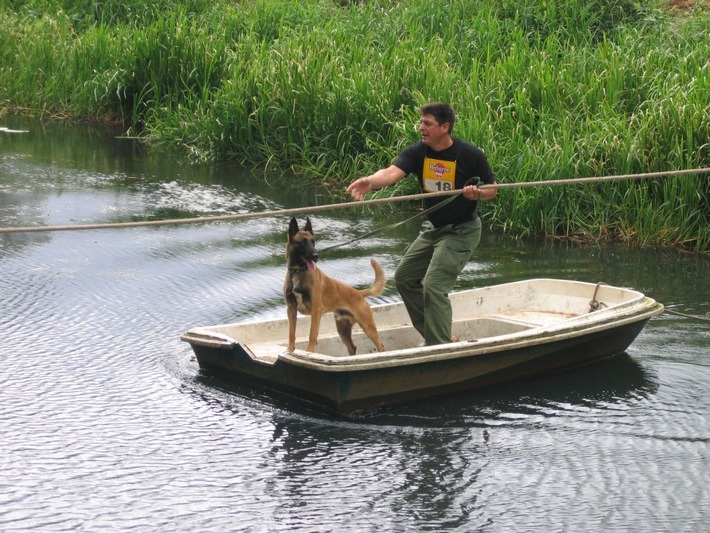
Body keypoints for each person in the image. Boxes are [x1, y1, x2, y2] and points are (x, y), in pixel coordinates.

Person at [346, 102, 497, 346]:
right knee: (404, 278)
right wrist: (370, 182)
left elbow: (492, 190)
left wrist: (477, 193)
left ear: (445, 127)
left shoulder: (469, 155)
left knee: (433, 286)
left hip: (462, 230)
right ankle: (436, 336)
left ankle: (439, 348)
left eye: (427, 123)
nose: (421, 128)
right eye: (421, 122)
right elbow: (391, 173)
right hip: (432, 229)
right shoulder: (418, 152)